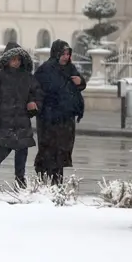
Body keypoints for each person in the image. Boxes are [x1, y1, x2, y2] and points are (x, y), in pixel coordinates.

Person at [0, 41, 42, 188]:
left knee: (22, 149)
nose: (16, 62)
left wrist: (33, 105)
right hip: (5, 119)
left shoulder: (27, 77)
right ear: (7, 59)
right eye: (13, 59)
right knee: (5, 147)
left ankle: (20, 178)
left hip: (22, 119)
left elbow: (36, 95)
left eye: (18, 59)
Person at [33, 39, 86, 185]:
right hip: (48, 119)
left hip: (66, 118)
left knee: (62, 150)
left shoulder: (70, 68)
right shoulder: (45, 70)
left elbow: (80, 84)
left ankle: (57, 183)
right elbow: (37, 90)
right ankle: (44, 181)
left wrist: (80, 82)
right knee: (48, 149)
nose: (66, 57)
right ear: (56, 54)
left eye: (68, 54)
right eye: (63, 54)